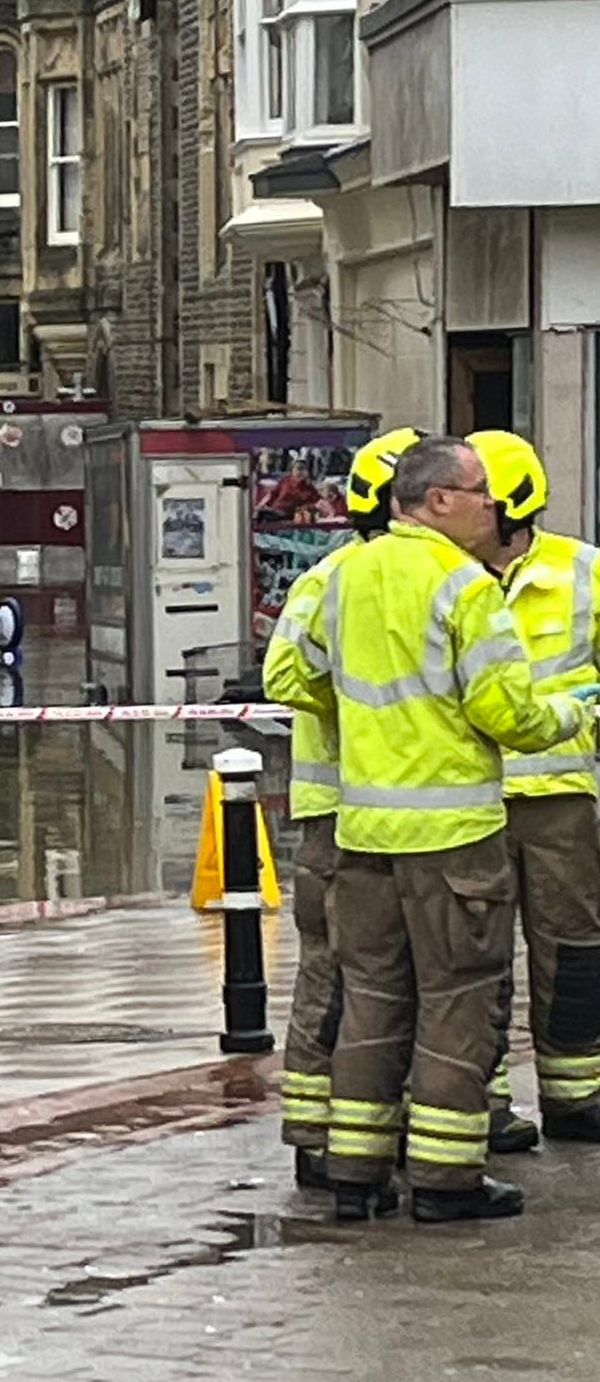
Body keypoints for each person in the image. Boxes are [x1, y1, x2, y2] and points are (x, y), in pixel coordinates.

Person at [269, 435, 592, 1224]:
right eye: (479, 491)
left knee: (374, 998)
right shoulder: (461, 584)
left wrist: (363, 711)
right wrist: (573, 710)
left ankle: (353, 1171)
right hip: (451, 833)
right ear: (438, 499)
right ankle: (447, 1181)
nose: (492, 505)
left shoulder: (342, 574)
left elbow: (293, 671)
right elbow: (503, 713)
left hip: (363, 831)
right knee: (456, 1000)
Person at [264, 426, 421, 1191]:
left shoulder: (336, 577)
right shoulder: (337, 578)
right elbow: (286, 674)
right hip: (345, 812)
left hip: (362, 807)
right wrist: (364, 701)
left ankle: (344, 1135)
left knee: (355, 977)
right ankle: (328, 1137)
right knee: (348, 976)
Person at [469, 430, 600, 1145]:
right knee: (474, 956)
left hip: (558, 798)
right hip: (467, 798)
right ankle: (480, 1103)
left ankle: (575, 1096)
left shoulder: (584, 571)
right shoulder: (443, 576)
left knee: (572, 948)